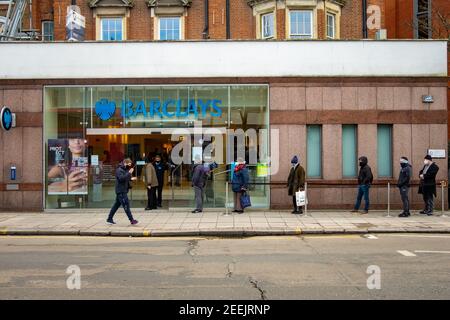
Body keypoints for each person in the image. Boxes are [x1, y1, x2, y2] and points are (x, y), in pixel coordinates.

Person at [106, 158, 139, 225]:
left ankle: (109, 218)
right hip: (121, 191)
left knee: (116, 205)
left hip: (122, 190)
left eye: (130, 165)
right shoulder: (119, 170)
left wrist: (131, 179)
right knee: (126, 205)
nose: (129, 166)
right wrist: (129, 173)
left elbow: (125, 178)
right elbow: (121, 179)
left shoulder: (125, 169)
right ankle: (131, 220)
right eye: (128, 164)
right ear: (125, 163)